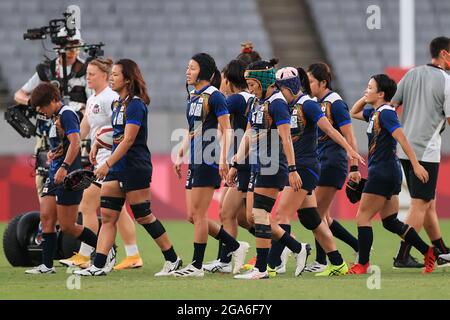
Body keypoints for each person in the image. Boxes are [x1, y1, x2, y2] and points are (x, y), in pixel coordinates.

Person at [75, 59, 181, 276]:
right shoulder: (117, 105)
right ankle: (98, 265)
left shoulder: (135, 105)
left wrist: (107, 163)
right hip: (117, 168)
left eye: (115, 74)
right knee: (108, 217)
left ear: (128, 79)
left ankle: (173, 259)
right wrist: (97, 143)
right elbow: (115, 135)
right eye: (111, 74)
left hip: (134, 167)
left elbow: (129, 140)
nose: (111, 78)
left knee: (143, 216)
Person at [267, 67, 363, 277]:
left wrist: (349, 151)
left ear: (290, 86)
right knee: (312, 218)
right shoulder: (287, 106)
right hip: (302, 167)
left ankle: (270, 267)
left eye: (280, 88)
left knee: (281, 215)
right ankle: (337, 263)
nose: (277, 92)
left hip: (304, 168)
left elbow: (329, 129)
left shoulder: (307, 105)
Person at [228, 59, 312, 280]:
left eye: (253, 84)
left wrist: (292, 169)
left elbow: (286, 139)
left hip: (273, 164)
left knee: (260, 214)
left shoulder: (277, 103)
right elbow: (248, 132)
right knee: (254, 216)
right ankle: (297, 248)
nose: (250, 88)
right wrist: (237, 162)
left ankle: (262, 269)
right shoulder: (257, 102)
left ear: (264, 82)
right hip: (257, 164)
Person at [58, 58, 143, 270]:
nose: (88, 77)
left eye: (92, 74)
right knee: (116, 210)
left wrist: (101, 144)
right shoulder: (94, 99)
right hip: (102, 159)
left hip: (111, 160)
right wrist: (69, 143)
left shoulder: (111, 98)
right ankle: (132, 255)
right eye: (87, 73)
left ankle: (87, 254)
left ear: (104, 76)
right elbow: (84, 127)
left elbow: (120, 130)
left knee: (87, 203)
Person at [348, 74, 437, 274]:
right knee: (390, 222)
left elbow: (403, 139)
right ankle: (428, 251)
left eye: (370, 87)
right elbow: (354, 112)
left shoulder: (386, 112)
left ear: (381, 93)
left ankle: (362, 264)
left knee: (362, 217)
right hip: (387, 172)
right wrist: (368, 96)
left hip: (383, 172)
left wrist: (416, 165)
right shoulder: (375, 112)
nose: (365, 90)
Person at [173, 53, 248, 277]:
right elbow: (194, 127)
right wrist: (181, 151)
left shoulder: (214, 96)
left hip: (209, 158)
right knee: (192, 215)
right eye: (187, 67)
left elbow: (226, 128)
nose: (187, 71)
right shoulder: (194, 96)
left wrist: (224, 159)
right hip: (195, 158)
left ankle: (196, 266)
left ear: (204, 72)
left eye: (192, 68)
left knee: (199, 214)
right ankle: (236, 246)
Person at [24, 83, 99, 274]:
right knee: (47, 218)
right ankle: (47, 266)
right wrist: (54, 153)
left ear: (51, 101)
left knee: (67, 226)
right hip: (54, 175)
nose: (41, 111)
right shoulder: (57, 116)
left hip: (69, 177)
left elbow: (75, 143)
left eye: (41, 107)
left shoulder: (67, 114)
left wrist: (64, 166)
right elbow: (65, 145)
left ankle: (104, 251)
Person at [390, 36, 450, 268]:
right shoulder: (446, 81)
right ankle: (403, 255)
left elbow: (392, 105)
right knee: (420, 203)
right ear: (444, 54)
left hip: (405, 148)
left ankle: (442, 251)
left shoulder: (412, 74)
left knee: (427, 202)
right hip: (426, 151)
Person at [14, 28, 90, 201]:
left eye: (75, 47)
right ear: (58, 47)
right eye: (69, 47)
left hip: (73, 132)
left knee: (75, 179)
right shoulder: (47, 69)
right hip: (47, 133)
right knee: (44, 177)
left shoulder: (86, 70)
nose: (72, 51)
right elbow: (19, 94)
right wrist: (35, 104)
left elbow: (91, 105)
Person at [304, 62, 360, 272]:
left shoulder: (335, 103)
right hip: (321, 162)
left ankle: (322, 261)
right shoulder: (317, 102)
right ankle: (358, 246)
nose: (308, 85)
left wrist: (354, 167)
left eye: (311, 81)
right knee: (323, 215)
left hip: (332, 162)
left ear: (323, 82)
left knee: (315, 214)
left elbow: (349, 135)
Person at [203, 59, 255, 273]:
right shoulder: (248, 98)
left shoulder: (236, 100)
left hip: (246, 163)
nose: (220, 83)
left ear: (229, 79)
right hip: (246, 162)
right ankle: (225, 259)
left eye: (222, 78)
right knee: (238, 216)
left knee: (234, 213)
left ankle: (288, 243)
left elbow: (214, 120)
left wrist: (226, 160)